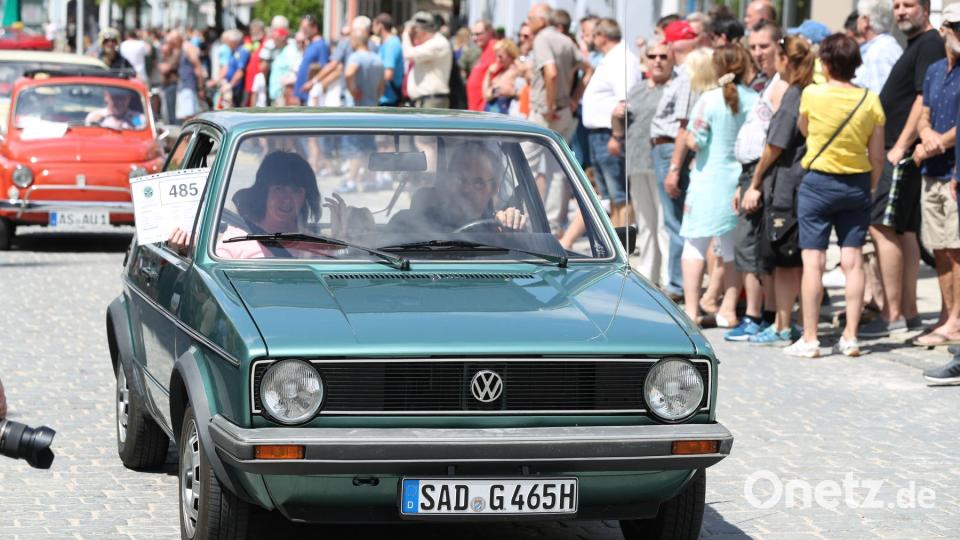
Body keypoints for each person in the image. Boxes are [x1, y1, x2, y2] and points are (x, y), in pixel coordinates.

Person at [786, 34, 885, 358]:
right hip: (856, 183)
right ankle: (851, 337)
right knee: (852, 261)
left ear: (825, 63)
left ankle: (811, 339)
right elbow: (877, 155)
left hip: (818, 183)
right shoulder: (870, 100)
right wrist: (869, 186)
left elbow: (803, 129)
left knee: (812, 262)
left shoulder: (813, 94)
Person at [862, 0, 944, 338]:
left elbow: (923, 99)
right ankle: (907, 312)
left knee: (883, 226)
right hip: (901, 150)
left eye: (908, 5)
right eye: (896, 6)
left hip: (901, 151)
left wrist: (899, 145)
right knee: (904, 230)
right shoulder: (917, 46)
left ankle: (892, 312)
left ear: (925, 8)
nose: (900, 12)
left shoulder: (929, 43)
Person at [742, 34, 817, 346]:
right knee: (793, 260)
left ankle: (783, 325)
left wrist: (755, 182)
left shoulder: (793, 95)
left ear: (786, 60)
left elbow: (774, 146)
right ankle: (789, 322)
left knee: (786, 261)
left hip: (787, 185)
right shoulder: (804, 91)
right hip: (796, 184)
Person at [681, 45, 758, 328]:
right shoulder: (755, 99)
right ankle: (728, 308)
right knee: (730, 248)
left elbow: (695, 140)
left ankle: (691, 310)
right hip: (739, 182)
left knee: (695, 244)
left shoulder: (709, 100)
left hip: (707, 179)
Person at [725, 20, 789, 342]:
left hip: (761, 173)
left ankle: (755, 315)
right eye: (753, 47)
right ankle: (761, 314)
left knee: (750, 248)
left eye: (764, 46)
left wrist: (755, 183)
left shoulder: (782, 85)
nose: (757, 53)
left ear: (780, 44)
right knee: (751, 248)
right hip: (750, 171)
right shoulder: (768, 81)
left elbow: (775, 141)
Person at [911, 5, 960, 346]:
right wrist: (926, 135)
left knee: (956, 248)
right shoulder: (933, 70)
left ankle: (956, 321)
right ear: (943, 29)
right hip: (933, 170)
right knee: (940, 248)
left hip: (953, 169)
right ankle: (947, 315)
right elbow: (923, 115)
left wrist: (935, 144)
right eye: (956, 26)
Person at [613, 40, 674, 287]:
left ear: (671, 60)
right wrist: (615, 117)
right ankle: (649, 275)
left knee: (664, 224)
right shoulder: (636, 89)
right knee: (646, 224)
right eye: (652, 56)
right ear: (645, 60)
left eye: (663, 56)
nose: (657, 60)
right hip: (637, 162)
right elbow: (620, 126)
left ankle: (670, 279)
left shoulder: (676, 87)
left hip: (663, 164)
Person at [651, 20, 699, 302]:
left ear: (671, 45)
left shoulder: (687, 75)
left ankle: (677, 284)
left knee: (675, 221)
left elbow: (683, 127)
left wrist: (673, 168)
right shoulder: (682, 74)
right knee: (672, 221)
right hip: (666, 148)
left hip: (671, 150)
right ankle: (676, 281)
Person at [388, 143, 527, 233]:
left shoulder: (500, 228)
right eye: (459, 180)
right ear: (447, 182)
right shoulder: (408, 223)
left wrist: (512, 225)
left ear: (494, 188)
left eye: (478, 183)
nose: (466, 189)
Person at [582, 18, 640, 227]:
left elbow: (625, 103)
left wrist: (617, 136)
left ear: (601, 37)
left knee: (619, 194)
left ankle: (622, 246)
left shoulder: (622, 60)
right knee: (610, 195)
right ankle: (616, 240)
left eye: (591, 34)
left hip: (611, 134)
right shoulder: (610, 59)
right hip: (600, 134)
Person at [402, 11, 453, 108]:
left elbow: (408, 54)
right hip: (424, 101)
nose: (413, 35)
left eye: (414, 31)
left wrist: (406, 34)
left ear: (420, 31)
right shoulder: (429, 43)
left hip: (432, 101)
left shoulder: (438, 43)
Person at [853, 0, 902, 94]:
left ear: (865, 20)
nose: (857, 20)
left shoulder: (878, 53)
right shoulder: (888, 46)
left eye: (859, 16)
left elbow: (880, 97)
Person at [295, 14, 330, 105]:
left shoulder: (321, 45)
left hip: (311, 96)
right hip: (303, 94)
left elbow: (324, 67)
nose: (303, 31)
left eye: (305, 28)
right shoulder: (310, 44)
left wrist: (311, 83)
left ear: (314, 28)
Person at [481, 39, 520, 114]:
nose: (497, 60)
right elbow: (486, 95)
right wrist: (488, 74)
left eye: (500, 56)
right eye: (496, 56)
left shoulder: (515, 71)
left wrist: (512, 93)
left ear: (510, 55)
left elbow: (487, 95)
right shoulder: (502, 72)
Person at [466, 20, 497, 111]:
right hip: (475, 109)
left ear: (489, 32)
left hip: (484, 111)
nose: (475, 38)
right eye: (473, 34)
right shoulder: (484, 50)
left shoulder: (496, 49)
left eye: (479, 34)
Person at [374, 13, 404, 106]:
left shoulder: (391, 44)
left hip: (388, 100)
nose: (372, 28)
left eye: (374, 25)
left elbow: (388, 74)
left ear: (380, 26)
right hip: (383, 98)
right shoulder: (385, 44)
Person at [221, 30, 250, 108]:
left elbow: (240, 71)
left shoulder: (242, 51)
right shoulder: (233, 51)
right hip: (231, 87)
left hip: (237, 88)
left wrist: (230, 85)